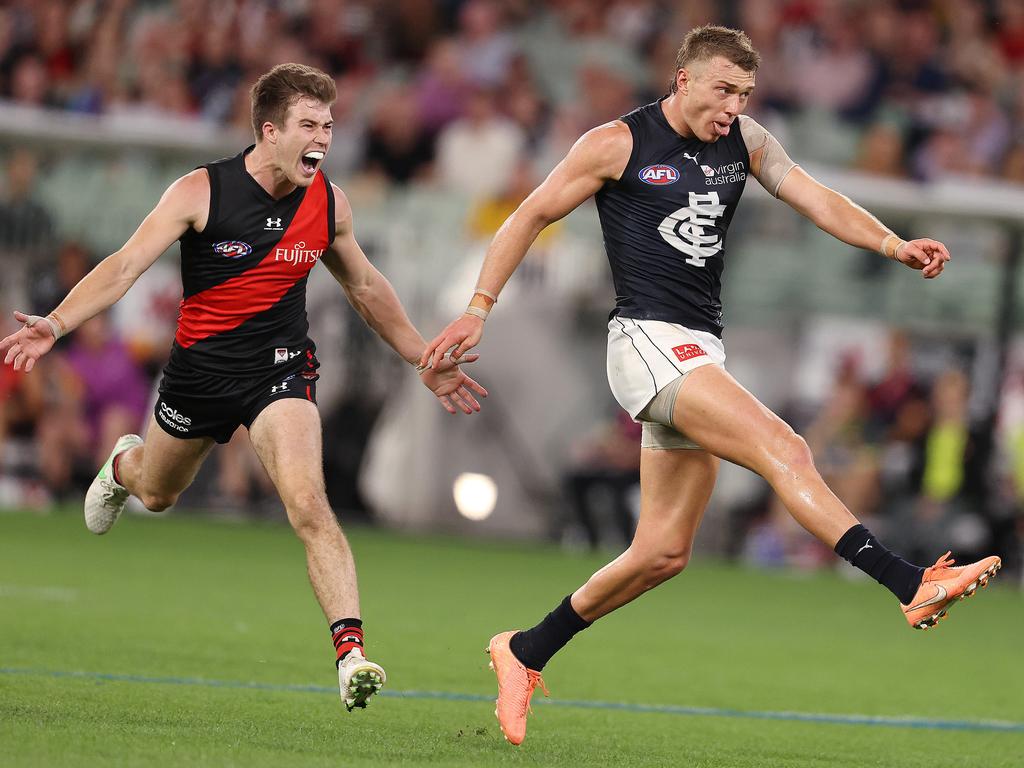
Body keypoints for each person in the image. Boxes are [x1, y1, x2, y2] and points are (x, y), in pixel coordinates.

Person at [421, 25, 1001, 745]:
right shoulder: (616, 143)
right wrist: (478, 309)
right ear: (683, 79)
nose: (733, 105)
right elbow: (528, 216)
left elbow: (817, 199)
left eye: (744, 93)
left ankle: (525, 649)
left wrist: (893, 244)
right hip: (646, 344)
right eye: (723, 89)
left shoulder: (747, 142)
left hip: (699, 354)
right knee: (784, 446)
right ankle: (908, 583)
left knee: (662, 553)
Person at [0, 62, 488, 713]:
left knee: (308, 503)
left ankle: (351, 656)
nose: (324, 138)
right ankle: (122, 467)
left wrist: (419, 354)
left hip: (279, 371)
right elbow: (122, 267)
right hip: (198, 378)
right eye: (309, 125)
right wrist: (55, 324)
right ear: (269, 130)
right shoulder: (200, 191)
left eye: (330, 126)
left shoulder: (329, 204)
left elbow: (366, 288)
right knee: (158, 492)